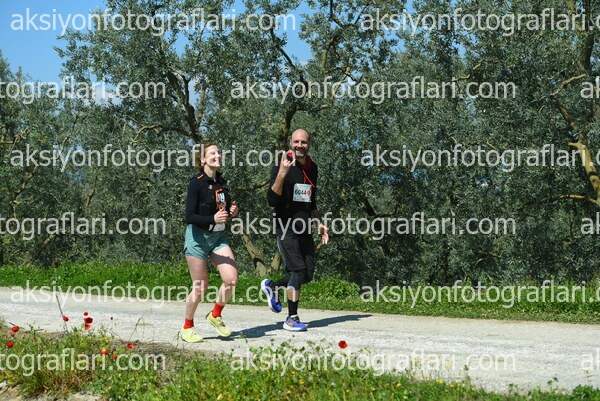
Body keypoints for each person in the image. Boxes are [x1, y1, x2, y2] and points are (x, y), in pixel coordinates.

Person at [261, 129, 329, 331]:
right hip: (285, 227)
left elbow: (311, 201)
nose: (300, 145)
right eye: (296, 141)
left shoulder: (313, 168)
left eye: (303, 142)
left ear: (309, 144)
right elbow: (271, 199)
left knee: (307, 274)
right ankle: (292, 318)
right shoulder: (282, 163)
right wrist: (282, 173)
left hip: (304, 228)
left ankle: (273, 286)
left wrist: (319, 223)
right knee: (297, 270)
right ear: (291, 142)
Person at [179, 141, 239, 342]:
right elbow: (189, 216)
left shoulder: (222, 181)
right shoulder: (196, 183)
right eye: (213, 153)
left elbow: (223, 207)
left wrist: (232, 211)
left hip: (218, 238)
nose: (217, 155)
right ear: (203, 159)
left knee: (231, 280)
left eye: (218, 153)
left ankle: (215, 315)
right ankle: (187, 327)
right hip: (197, 239)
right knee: (200, 286)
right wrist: (212, 219)